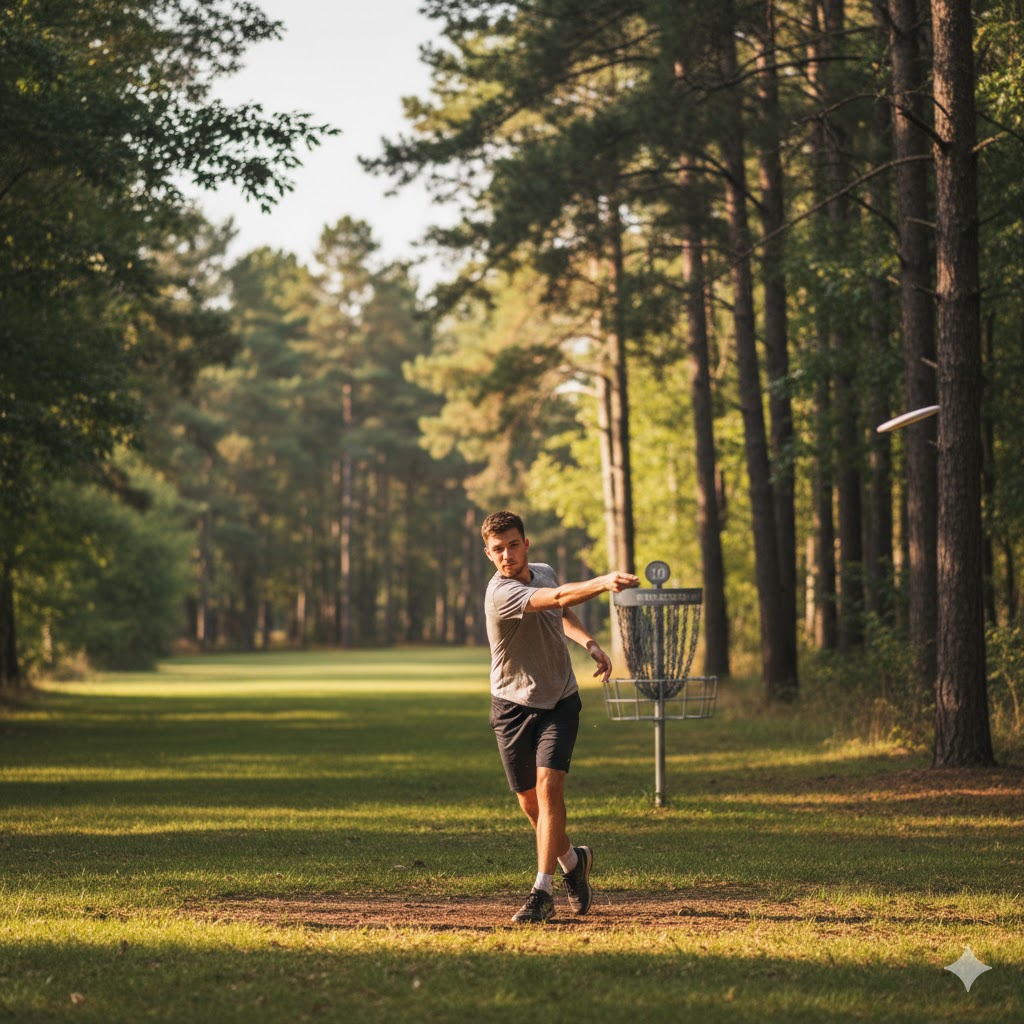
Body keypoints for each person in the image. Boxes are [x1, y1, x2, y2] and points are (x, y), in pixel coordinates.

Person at [480, 510, 640, 924]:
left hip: (560, 699)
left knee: (550, 790)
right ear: (488, 554)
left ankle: (542, 892)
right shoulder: (500, 593)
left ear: (526, 544)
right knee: (531, 805)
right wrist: (602, 582)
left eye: (514, 545)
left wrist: (589, 643)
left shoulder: (545, 572)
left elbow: (560, 609)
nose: (507, 555)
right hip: (512, 705)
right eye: (498, 549)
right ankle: (573, 861)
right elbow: (555, 599)